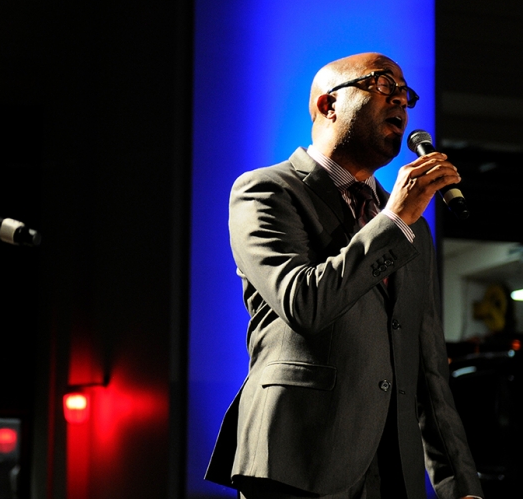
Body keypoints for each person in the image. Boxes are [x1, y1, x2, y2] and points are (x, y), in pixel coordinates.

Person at [205, 53, 483, 499]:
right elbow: (303, 302)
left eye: (405, 93)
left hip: (392, 471)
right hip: (297, 461)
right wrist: (393, 221)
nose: (400, 99)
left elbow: (427, 365)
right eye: (382, 84)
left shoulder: (413, 227)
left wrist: (460, 484)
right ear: (327, 104)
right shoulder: (267, 190)